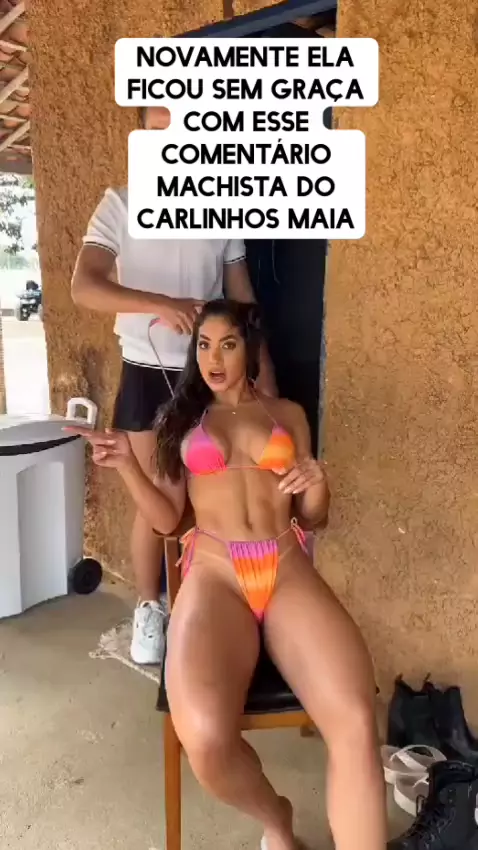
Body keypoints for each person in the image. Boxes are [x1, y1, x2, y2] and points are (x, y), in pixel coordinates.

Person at [67, 299, 387, 850]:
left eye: (228, 345)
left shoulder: (287, 415)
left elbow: (314, 517)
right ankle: (277, 820)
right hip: (215, 578)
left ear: (249, 349)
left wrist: (317, 482)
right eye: (204, 345)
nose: (213, 359)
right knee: (206, 739)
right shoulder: (180, 421)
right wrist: (127, 465)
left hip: (286, 568)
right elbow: (167, 520)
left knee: (356, 721)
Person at [70, 106, 276, 666]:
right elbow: (84, 286)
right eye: (160, 129)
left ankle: (219, 601)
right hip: (146, 370)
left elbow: (242, 298)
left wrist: (264, 374)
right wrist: (159, 304)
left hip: (212, 373)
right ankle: (150, 605)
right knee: (160, 503)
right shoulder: (120, 203)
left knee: (220, 490)